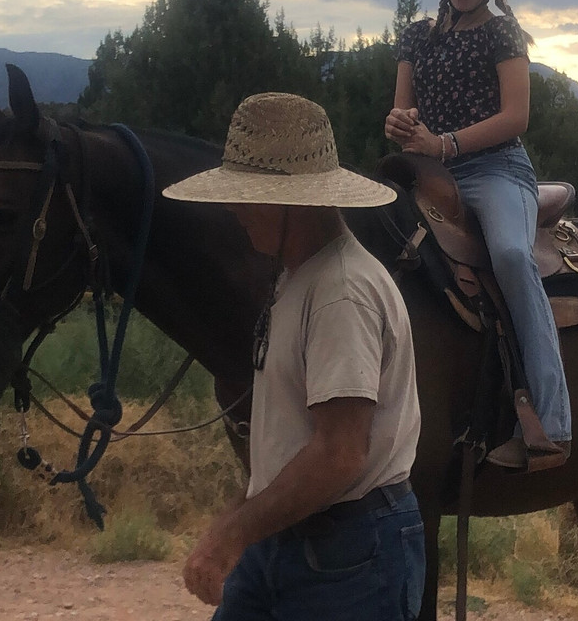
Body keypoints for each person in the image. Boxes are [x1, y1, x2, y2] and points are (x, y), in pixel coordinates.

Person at [164, 92, 425, 620]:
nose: (234, 211)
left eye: (246, 195)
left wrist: (230, 533)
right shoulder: (299, 276)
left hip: (351, 559)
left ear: (296, 202)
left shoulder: (339, 291)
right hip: (294, 539)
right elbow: (294, 439)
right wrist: (246, 513)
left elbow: (339, 453)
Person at [384, 0, 571, 472]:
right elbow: (402, 116)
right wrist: (401, 126)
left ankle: (553, 421)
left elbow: (516, 117)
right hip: (428, 173)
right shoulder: (416, 37)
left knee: (512, 256)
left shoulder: (504, 36)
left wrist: (446, 144)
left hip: (495, 172)